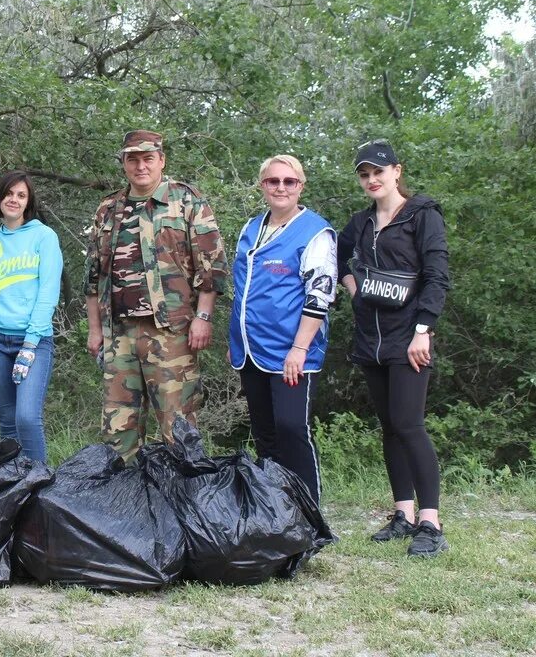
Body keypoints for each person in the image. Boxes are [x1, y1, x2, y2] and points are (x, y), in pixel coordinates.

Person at [85, 130, 229, 459]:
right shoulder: (108, 209)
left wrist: (203, 317)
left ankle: (184, 502)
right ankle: (124, 504)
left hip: (171, 333)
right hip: (118, 334)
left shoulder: (187, 200)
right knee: (117, 429)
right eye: (132, 159)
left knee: (178, 426)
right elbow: (92, 277)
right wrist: (95, 330)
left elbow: (212, 268)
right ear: (123, 163)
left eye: (148, 158)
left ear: (161, 160)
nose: (140, 166)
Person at [338, 139, 450, 557]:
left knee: (409, 424)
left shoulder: (422, 215)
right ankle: (403, 514)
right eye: (364, 174)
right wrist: (352, 286)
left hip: (409, 338)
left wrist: (424, 329)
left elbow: (437, 275)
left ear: (397, 172)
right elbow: (337, 255)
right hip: (371, 339)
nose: (371, 179)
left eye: (378, 172)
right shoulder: (360, 223)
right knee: (389, 428)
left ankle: (430, 522)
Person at [228, 155, 336, 504]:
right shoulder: (251, 228)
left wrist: (300, 348)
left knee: (292, 428)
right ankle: (274, 511)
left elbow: (320, 295)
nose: (281, 187)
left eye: (289, 181)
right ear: (263, 185)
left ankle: (310, 513)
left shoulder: (315, 232)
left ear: (300, 186)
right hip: (251, 350)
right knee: (265, 434)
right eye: (273, 181)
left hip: (292, 351)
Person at [0, 171, 63, 463]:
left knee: (27, 418)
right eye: (9, 193)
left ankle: (38, 487)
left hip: (33, 340)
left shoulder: (43, 236)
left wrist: (30, 344)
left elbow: (48, 291)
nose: (14, 200)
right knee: (7, 423)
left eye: (21, 195)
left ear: (28, 202)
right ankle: (12, 489)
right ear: (0, 197)